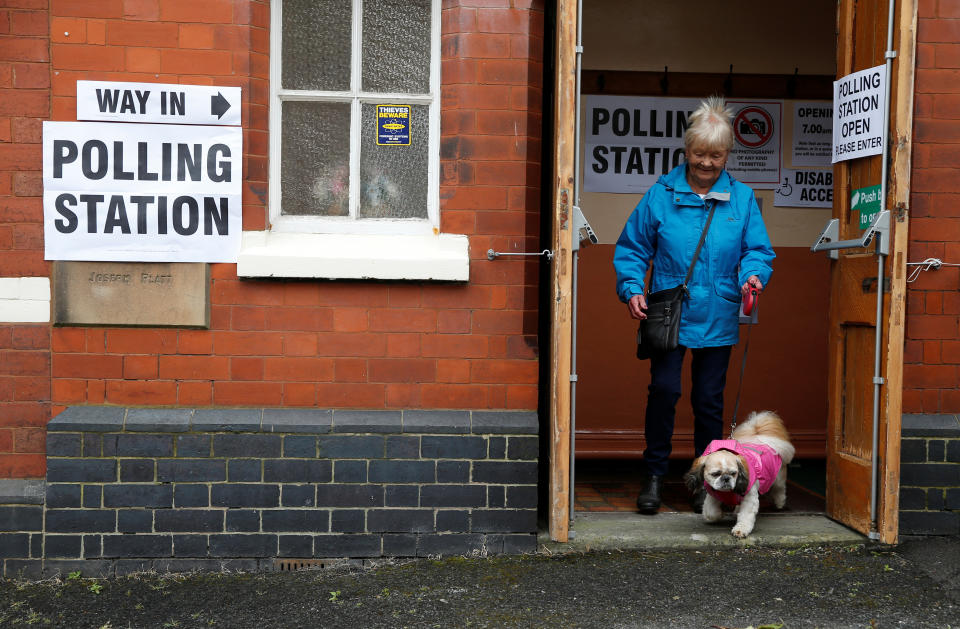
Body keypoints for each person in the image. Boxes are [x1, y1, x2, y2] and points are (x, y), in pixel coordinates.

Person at [613, 96, 775, 515]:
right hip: (670, 312)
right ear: (686, 151)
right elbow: (632, 247)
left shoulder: (740, 199)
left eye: (716, 155)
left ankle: (711, 485)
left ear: (727, 155)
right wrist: (632, 287)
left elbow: (757, 250)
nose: (706, 163)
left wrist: (753, 275)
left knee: (708, 400)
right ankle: (654, 476)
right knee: (664, 392)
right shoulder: (661, 195)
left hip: (719, 311)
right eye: (700, 153)